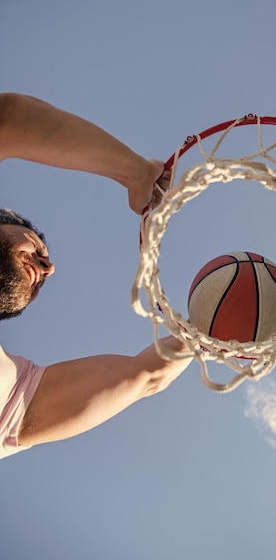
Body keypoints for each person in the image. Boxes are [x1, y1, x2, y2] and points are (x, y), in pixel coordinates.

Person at [0, 92, 192, 459]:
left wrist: (206, 333)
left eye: (46, 261)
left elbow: (146, 376)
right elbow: (7, 120)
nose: (48, 268)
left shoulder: (10, 390)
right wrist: (135, 171)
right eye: (37, 248)